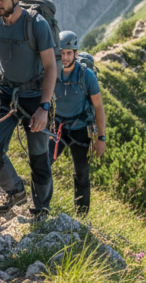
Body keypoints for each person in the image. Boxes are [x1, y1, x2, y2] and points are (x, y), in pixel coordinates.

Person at [0, 0, 58, 217]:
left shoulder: (36, 25)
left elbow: (50, 68)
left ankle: (41, 208)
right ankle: (15, 191)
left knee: (39, 158)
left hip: (35, 97)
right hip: (5, 94)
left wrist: (44, 108)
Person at [48, 31, 106, 217]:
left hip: (80, 129)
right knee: (43, 164)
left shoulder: (86, 76)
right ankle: (41, 207)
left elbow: (98, 107)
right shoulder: (51, 71)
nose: (65, 57)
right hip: (57, 127)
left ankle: (81, 215)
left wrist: (101, 138)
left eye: (69, 53)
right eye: (62, 52)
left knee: (81, 173)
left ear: (75, 53)